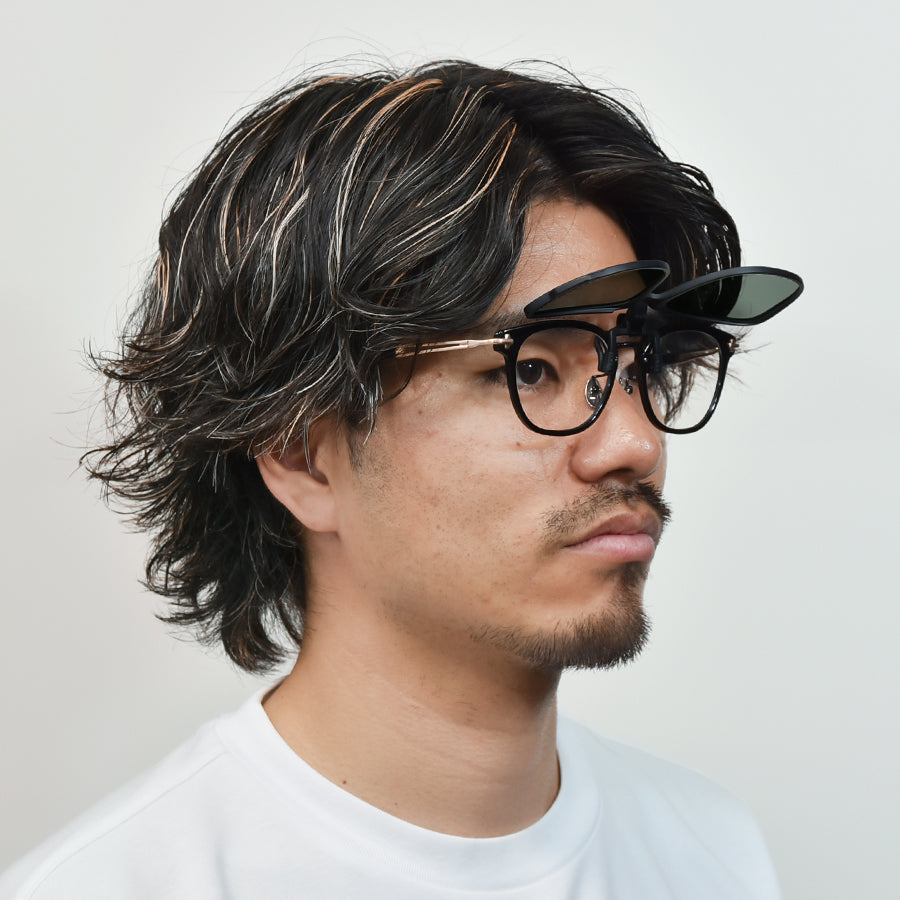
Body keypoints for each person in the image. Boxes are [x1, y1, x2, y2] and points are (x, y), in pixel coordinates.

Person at [1, 60, 802, 899]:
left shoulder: (712, 855)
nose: (634, 442)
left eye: (643, 369)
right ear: (302, 457)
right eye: (531, 371)